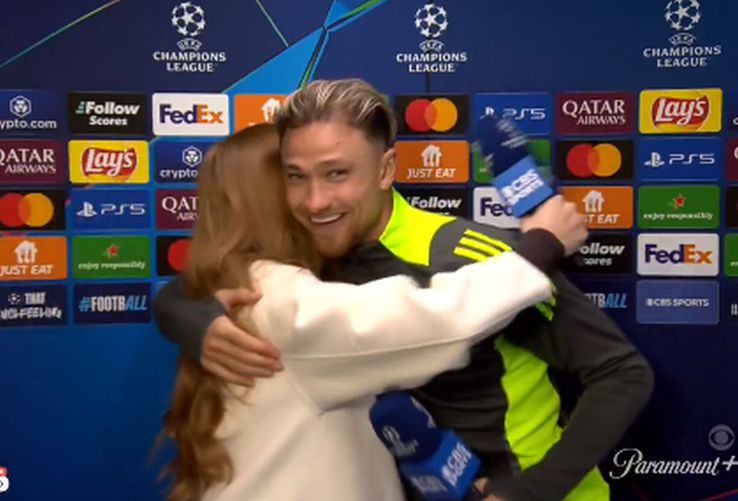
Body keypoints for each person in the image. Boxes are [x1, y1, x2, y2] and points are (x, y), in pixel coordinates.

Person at [155, 79, 654, 501]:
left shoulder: (468, 253)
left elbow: (621, 372)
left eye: (337, 174)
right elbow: (237, 286)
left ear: (386, 170)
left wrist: (530, 492)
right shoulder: (312, 266)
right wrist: (185, 311)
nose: (315, 200)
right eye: (295, 178)